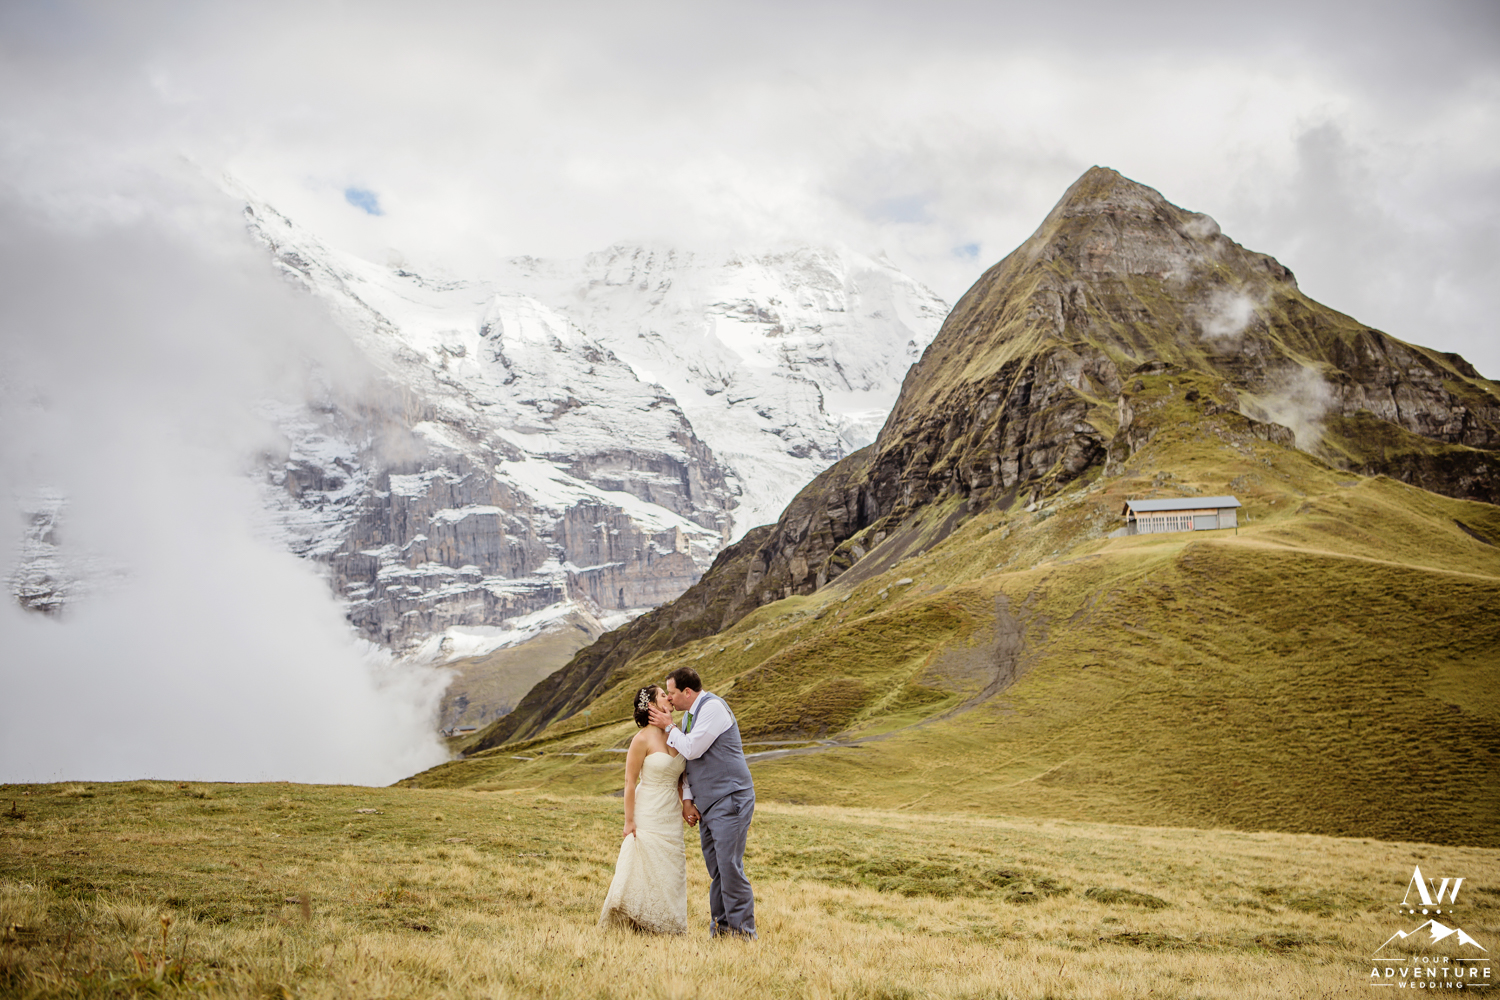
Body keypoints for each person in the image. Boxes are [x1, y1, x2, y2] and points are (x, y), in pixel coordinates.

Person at [647, 666, 756, 939]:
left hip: (730, 799)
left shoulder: (713, 708)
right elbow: (688, 764)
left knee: (730, 867)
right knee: (717, 870)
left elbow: (693, 748)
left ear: (686, 691)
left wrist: (668, 726)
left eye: (671, 693)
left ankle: (744, 934)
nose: (669, 700)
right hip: (707, 805)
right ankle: (720, 932)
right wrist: (687, 800)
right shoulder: (686, 721)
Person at [598, 685, 689, 934]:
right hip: (648, 808)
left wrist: (686, 805)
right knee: (646, 863)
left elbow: (680, 778)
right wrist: (629, 822)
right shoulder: (641, 740)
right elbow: (629, 782)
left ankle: (668, 924)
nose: (668, 698)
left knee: (671, 866)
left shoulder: (675, 732)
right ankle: (638, 920)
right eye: (663, 695)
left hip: (670, 810)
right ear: (651, 705)